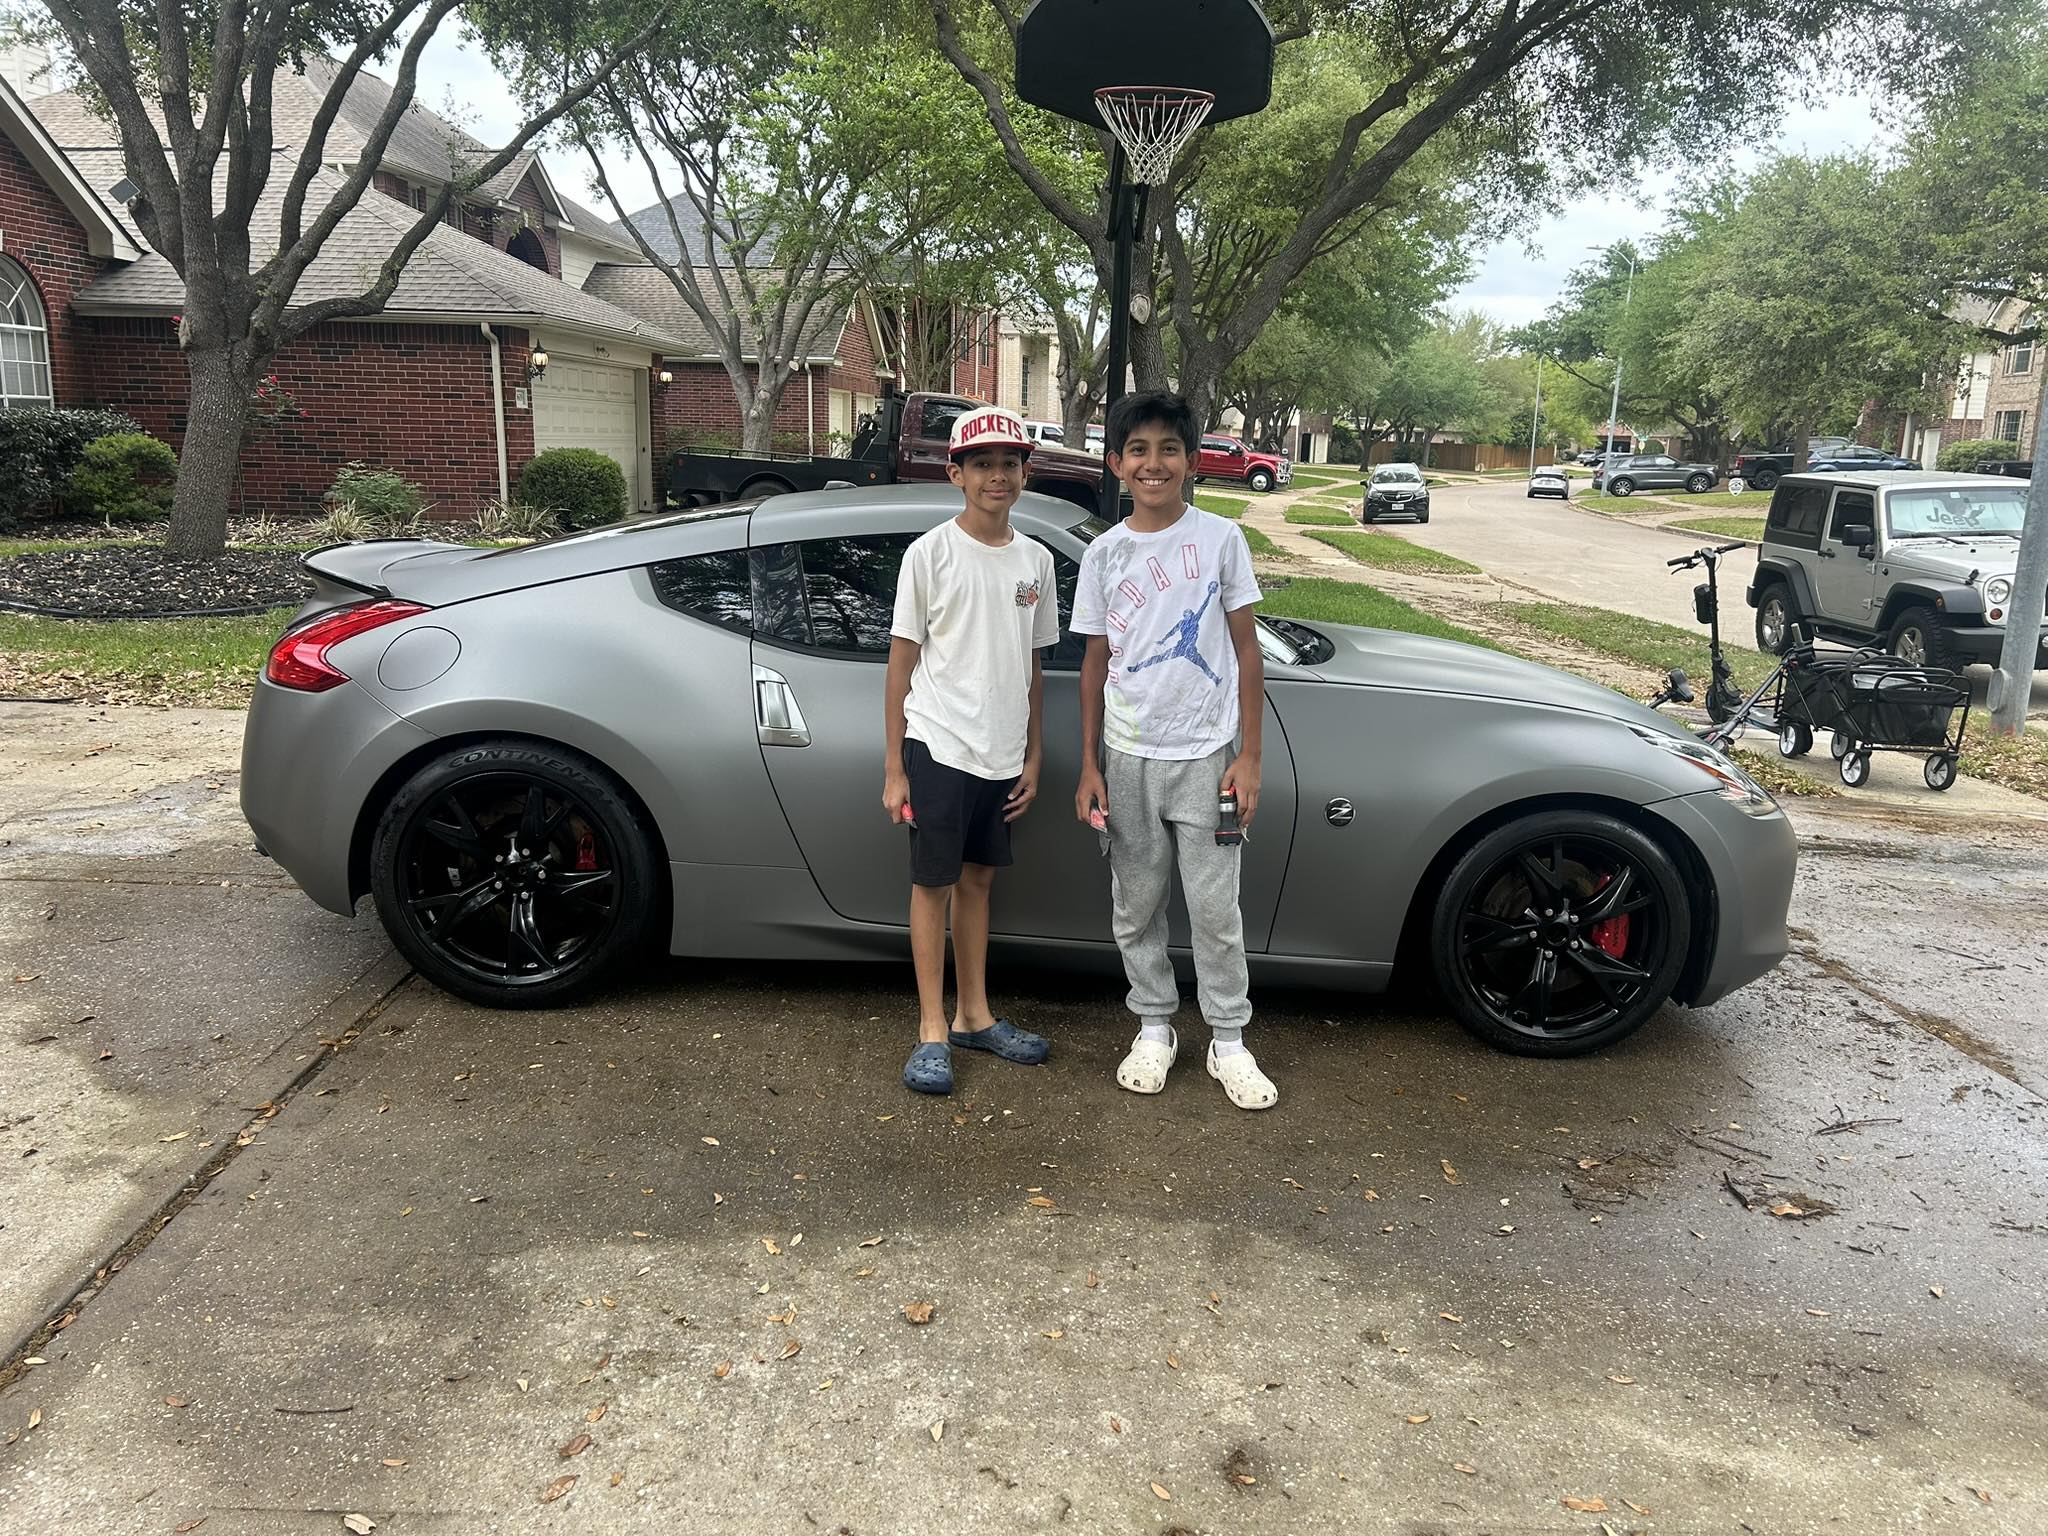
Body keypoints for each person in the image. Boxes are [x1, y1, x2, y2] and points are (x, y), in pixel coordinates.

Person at [1070, 391, 1276, 1110]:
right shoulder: (1104, 553)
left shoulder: (1222, 540)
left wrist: (1247, 758)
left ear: (1191, 462)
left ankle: (1228, 1041)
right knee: (1137, 907)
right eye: (1138, 450)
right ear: (1116, 463)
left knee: (1217, 911)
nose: (1153, 463)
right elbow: (1096, 663)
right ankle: (1154, 1026)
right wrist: (1090, 764)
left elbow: (1248, 654)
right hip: (1126, 760)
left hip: (1206, 758)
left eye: (1168, 449)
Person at [883, 405, 1059, 1095]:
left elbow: (1034, 669)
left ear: (1024, 473)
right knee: (933, 885)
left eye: (1009, 463)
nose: (997, 475)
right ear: (956, 473)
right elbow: (900, 663)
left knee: (979, 882)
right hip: (938, 743)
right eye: (981, 463)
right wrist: (896, 764)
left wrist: (1035, 756)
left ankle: (973, 1016)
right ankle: (932, 1030)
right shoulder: (930, 554)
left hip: (1002, 751)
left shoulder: (1036, 561)